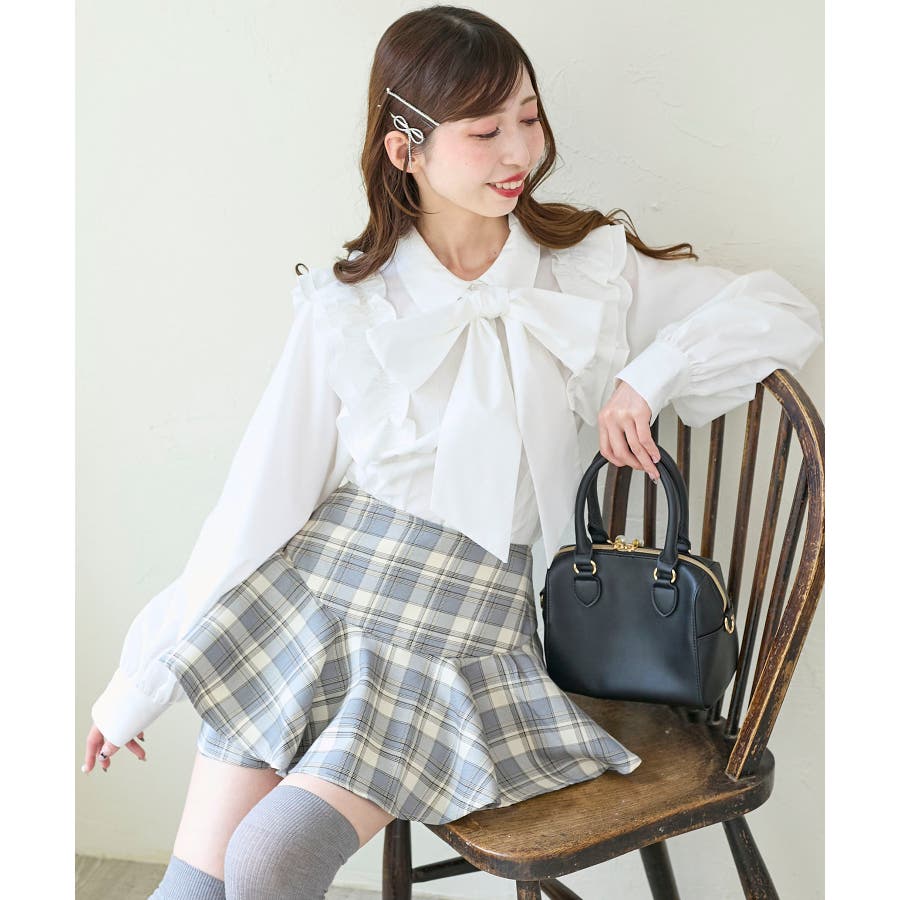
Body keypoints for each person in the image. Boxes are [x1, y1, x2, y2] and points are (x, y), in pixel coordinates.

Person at [82, 6, 823, 899]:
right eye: (485, 131)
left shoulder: (585, 273)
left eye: (529, 117)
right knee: (194, 888)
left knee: (271, 859)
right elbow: (255, 506)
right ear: (406, 150)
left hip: (463, 623)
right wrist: (136, 683)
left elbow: (779, 310)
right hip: (319, 591)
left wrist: (649, 376)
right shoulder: (351, 307)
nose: (520, 151)